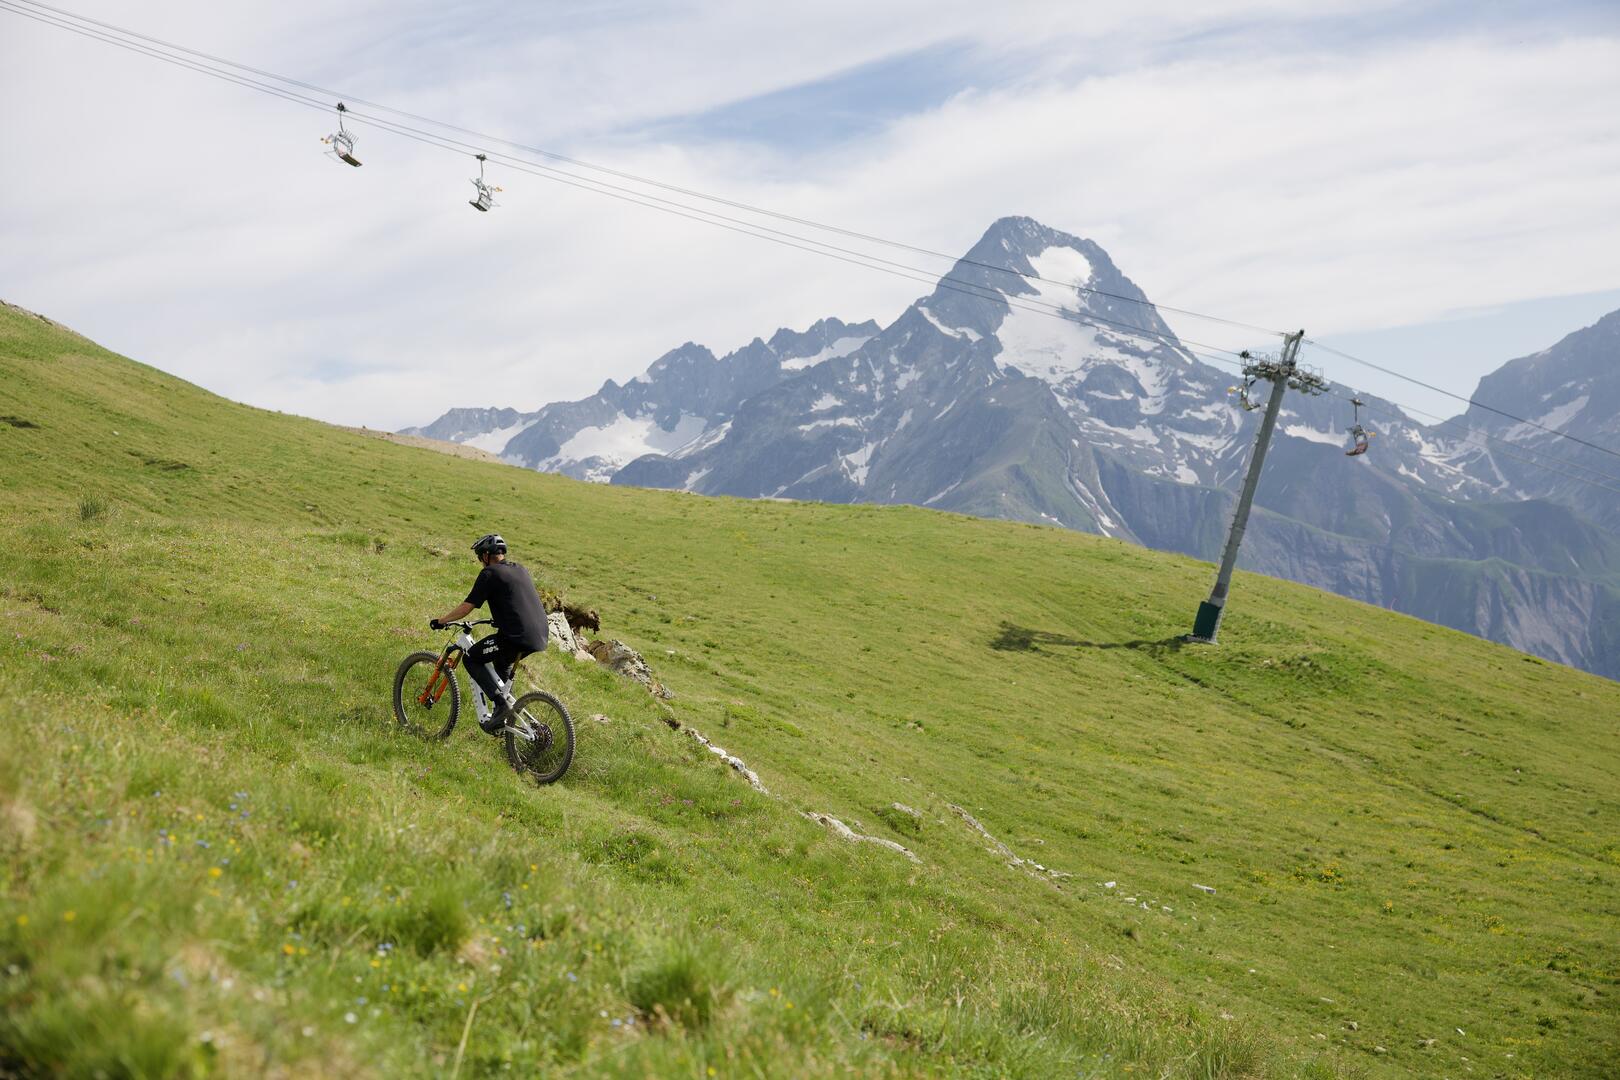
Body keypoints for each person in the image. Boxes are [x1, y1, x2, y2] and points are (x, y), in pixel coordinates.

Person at [431, 533, 548, 733]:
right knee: (501, 663)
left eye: (479, 557)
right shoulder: (520, 569)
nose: (480, 562)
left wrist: (441, 621)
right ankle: (505, 720)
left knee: (471, 658)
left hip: (515, 637)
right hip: (540, 634)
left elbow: (467, 607)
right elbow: (515, 600)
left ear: (486, 556)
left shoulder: (489, 574)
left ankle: (501, 706)